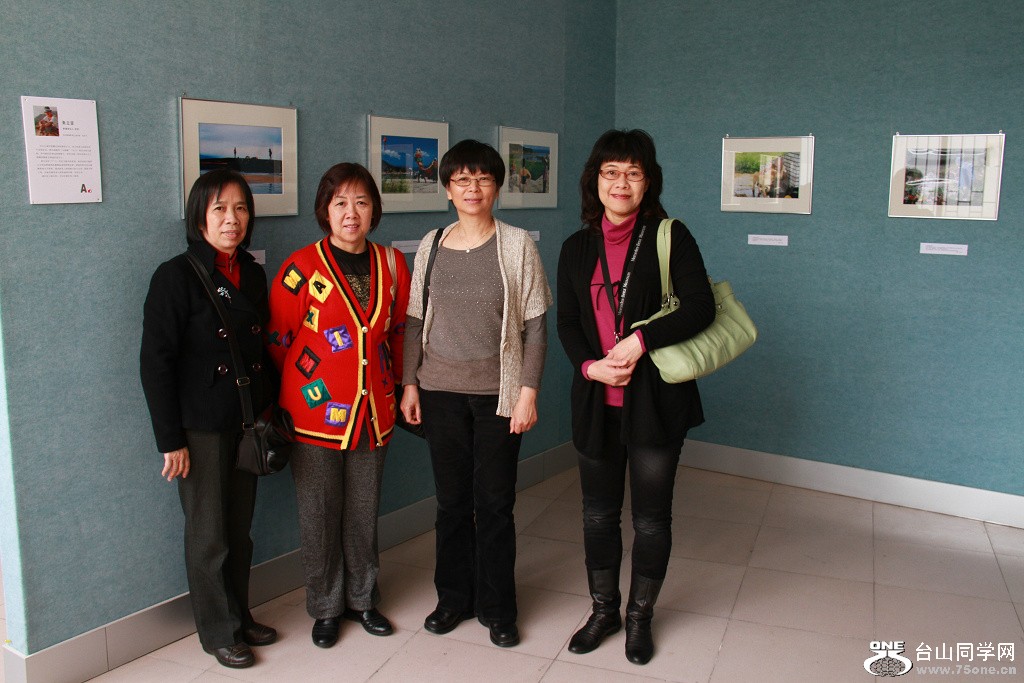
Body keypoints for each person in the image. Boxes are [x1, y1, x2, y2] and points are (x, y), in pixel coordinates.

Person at [556, 129, 715, 665]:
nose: (620, 183)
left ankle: (640, 617)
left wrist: (640, 341)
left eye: (633, 173)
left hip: (655, 403)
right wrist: (591, 366)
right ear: (594, 180)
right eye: (610, 172)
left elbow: (700, 306)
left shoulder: (670, 236)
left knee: (650, 519)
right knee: (597, 516)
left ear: (649, 182)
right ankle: (604, 610)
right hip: (596, 402)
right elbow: (568, 322)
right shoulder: (576, 247)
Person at [400, 139, 552, 648]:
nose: (472, 188)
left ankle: (497, 607)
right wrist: (409, 382)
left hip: (498, 395)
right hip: (439, 391)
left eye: (483, 179)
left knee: (495, 504)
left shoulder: (517, 245)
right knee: (450, 504)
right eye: (462, 180)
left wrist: (528, 391)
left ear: (497, 187)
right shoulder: (431, 243)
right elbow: (415, 320)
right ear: (447, 189)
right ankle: (453, 599)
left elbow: (535, 326)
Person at [266, 163, 409, 649]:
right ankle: (325, 607)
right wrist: (290, 396)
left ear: (374, 210)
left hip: (374, 412)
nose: (352, 213)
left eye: (362, 202)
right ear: (325, 210)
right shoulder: (301, 267)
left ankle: (363, 599)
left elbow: (398, 333)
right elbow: (279, 340)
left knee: (363, 512)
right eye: (341, 203)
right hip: (313, 415)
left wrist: (404, 388)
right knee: (319, 515)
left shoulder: (393, 264)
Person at [140, 169, 278, 670]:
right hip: (199, 427)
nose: (231, 219)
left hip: (245, 421)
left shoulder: (252, 273)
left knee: (239, 530)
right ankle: (219, 631)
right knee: (208, 535)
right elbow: (155, 364)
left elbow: (261, 350)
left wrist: (270, 408)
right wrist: (169, 440)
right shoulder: (175, 276)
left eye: (240, 208)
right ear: (200, 216)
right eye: (220, 208)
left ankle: (240, 616)